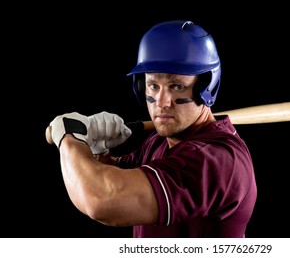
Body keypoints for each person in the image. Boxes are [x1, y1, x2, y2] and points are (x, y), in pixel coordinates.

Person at [49, 20, 258, 238]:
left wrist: (69, 138)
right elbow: (110, 175)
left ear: (207, 86)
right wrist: (98, 150)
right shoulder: (161, 141)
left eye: (176, 86)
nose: (162, 102)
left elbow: (102, 200)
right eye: (153, 86)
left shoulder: (217, 161)